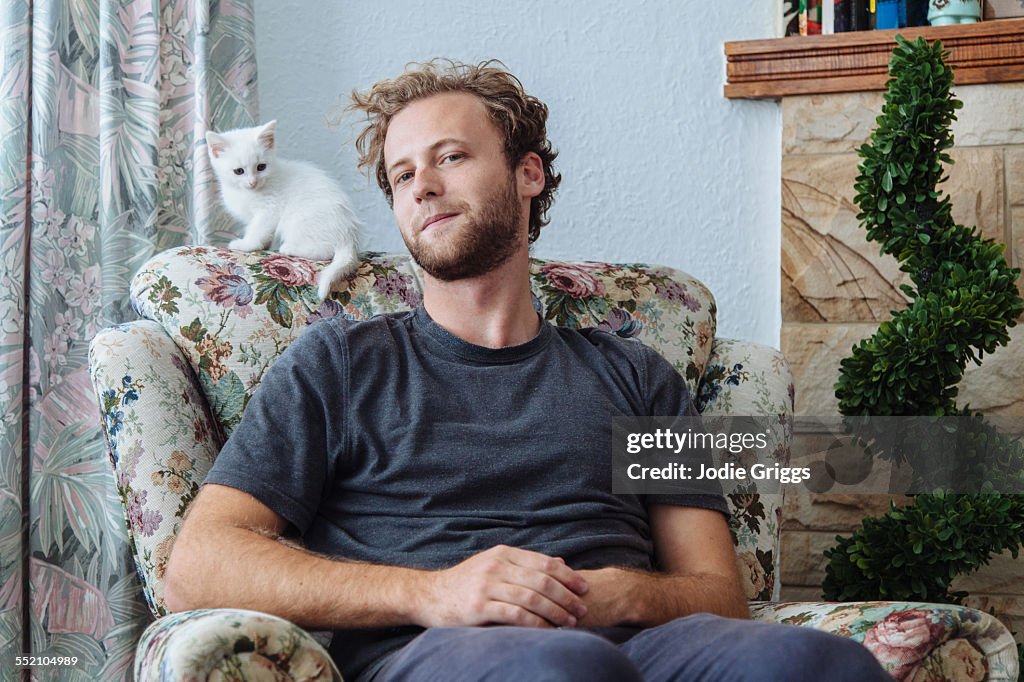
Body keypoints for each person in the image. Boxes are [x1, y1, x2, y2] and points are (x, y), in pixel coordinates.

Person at [165, 59, 889, 681]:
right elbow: (199, 566)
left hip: (645, 650)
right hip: (438, 651)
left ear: (527, 173)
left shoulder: (640, 377)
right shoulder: (339, 366)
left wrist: (623, 596)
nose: (421, 186)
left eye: (449, 157)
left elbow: (719, 593)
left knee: (825, 664)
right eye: (402, 174)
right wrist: (433, 593)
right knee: (564, 668)